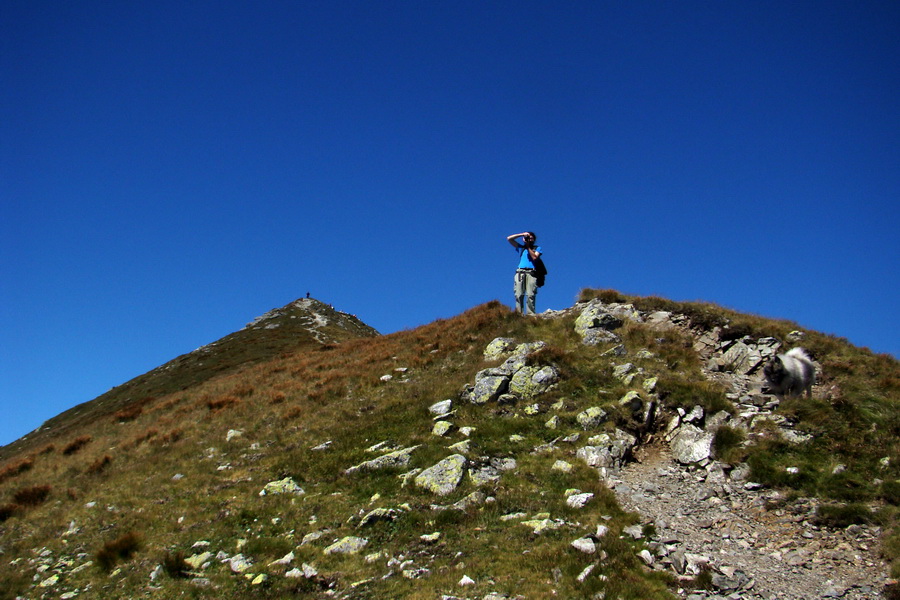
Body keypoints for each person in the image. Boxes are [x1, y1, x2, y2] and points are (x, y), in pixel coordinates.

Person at [506, 231, 542, 315]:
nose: (529, 239)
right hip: (520, 272)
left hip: (531, 272)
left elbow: (534, 257)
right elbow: (509, 238)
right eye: (528, 238)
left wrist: (528, 246)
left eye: (531, 238)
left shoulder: (537, 248)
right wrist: (521, 234)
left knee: (530, 294)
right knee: (518, 294)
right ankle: (519, 314)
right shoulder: (521, 248)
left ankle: (531, 314)